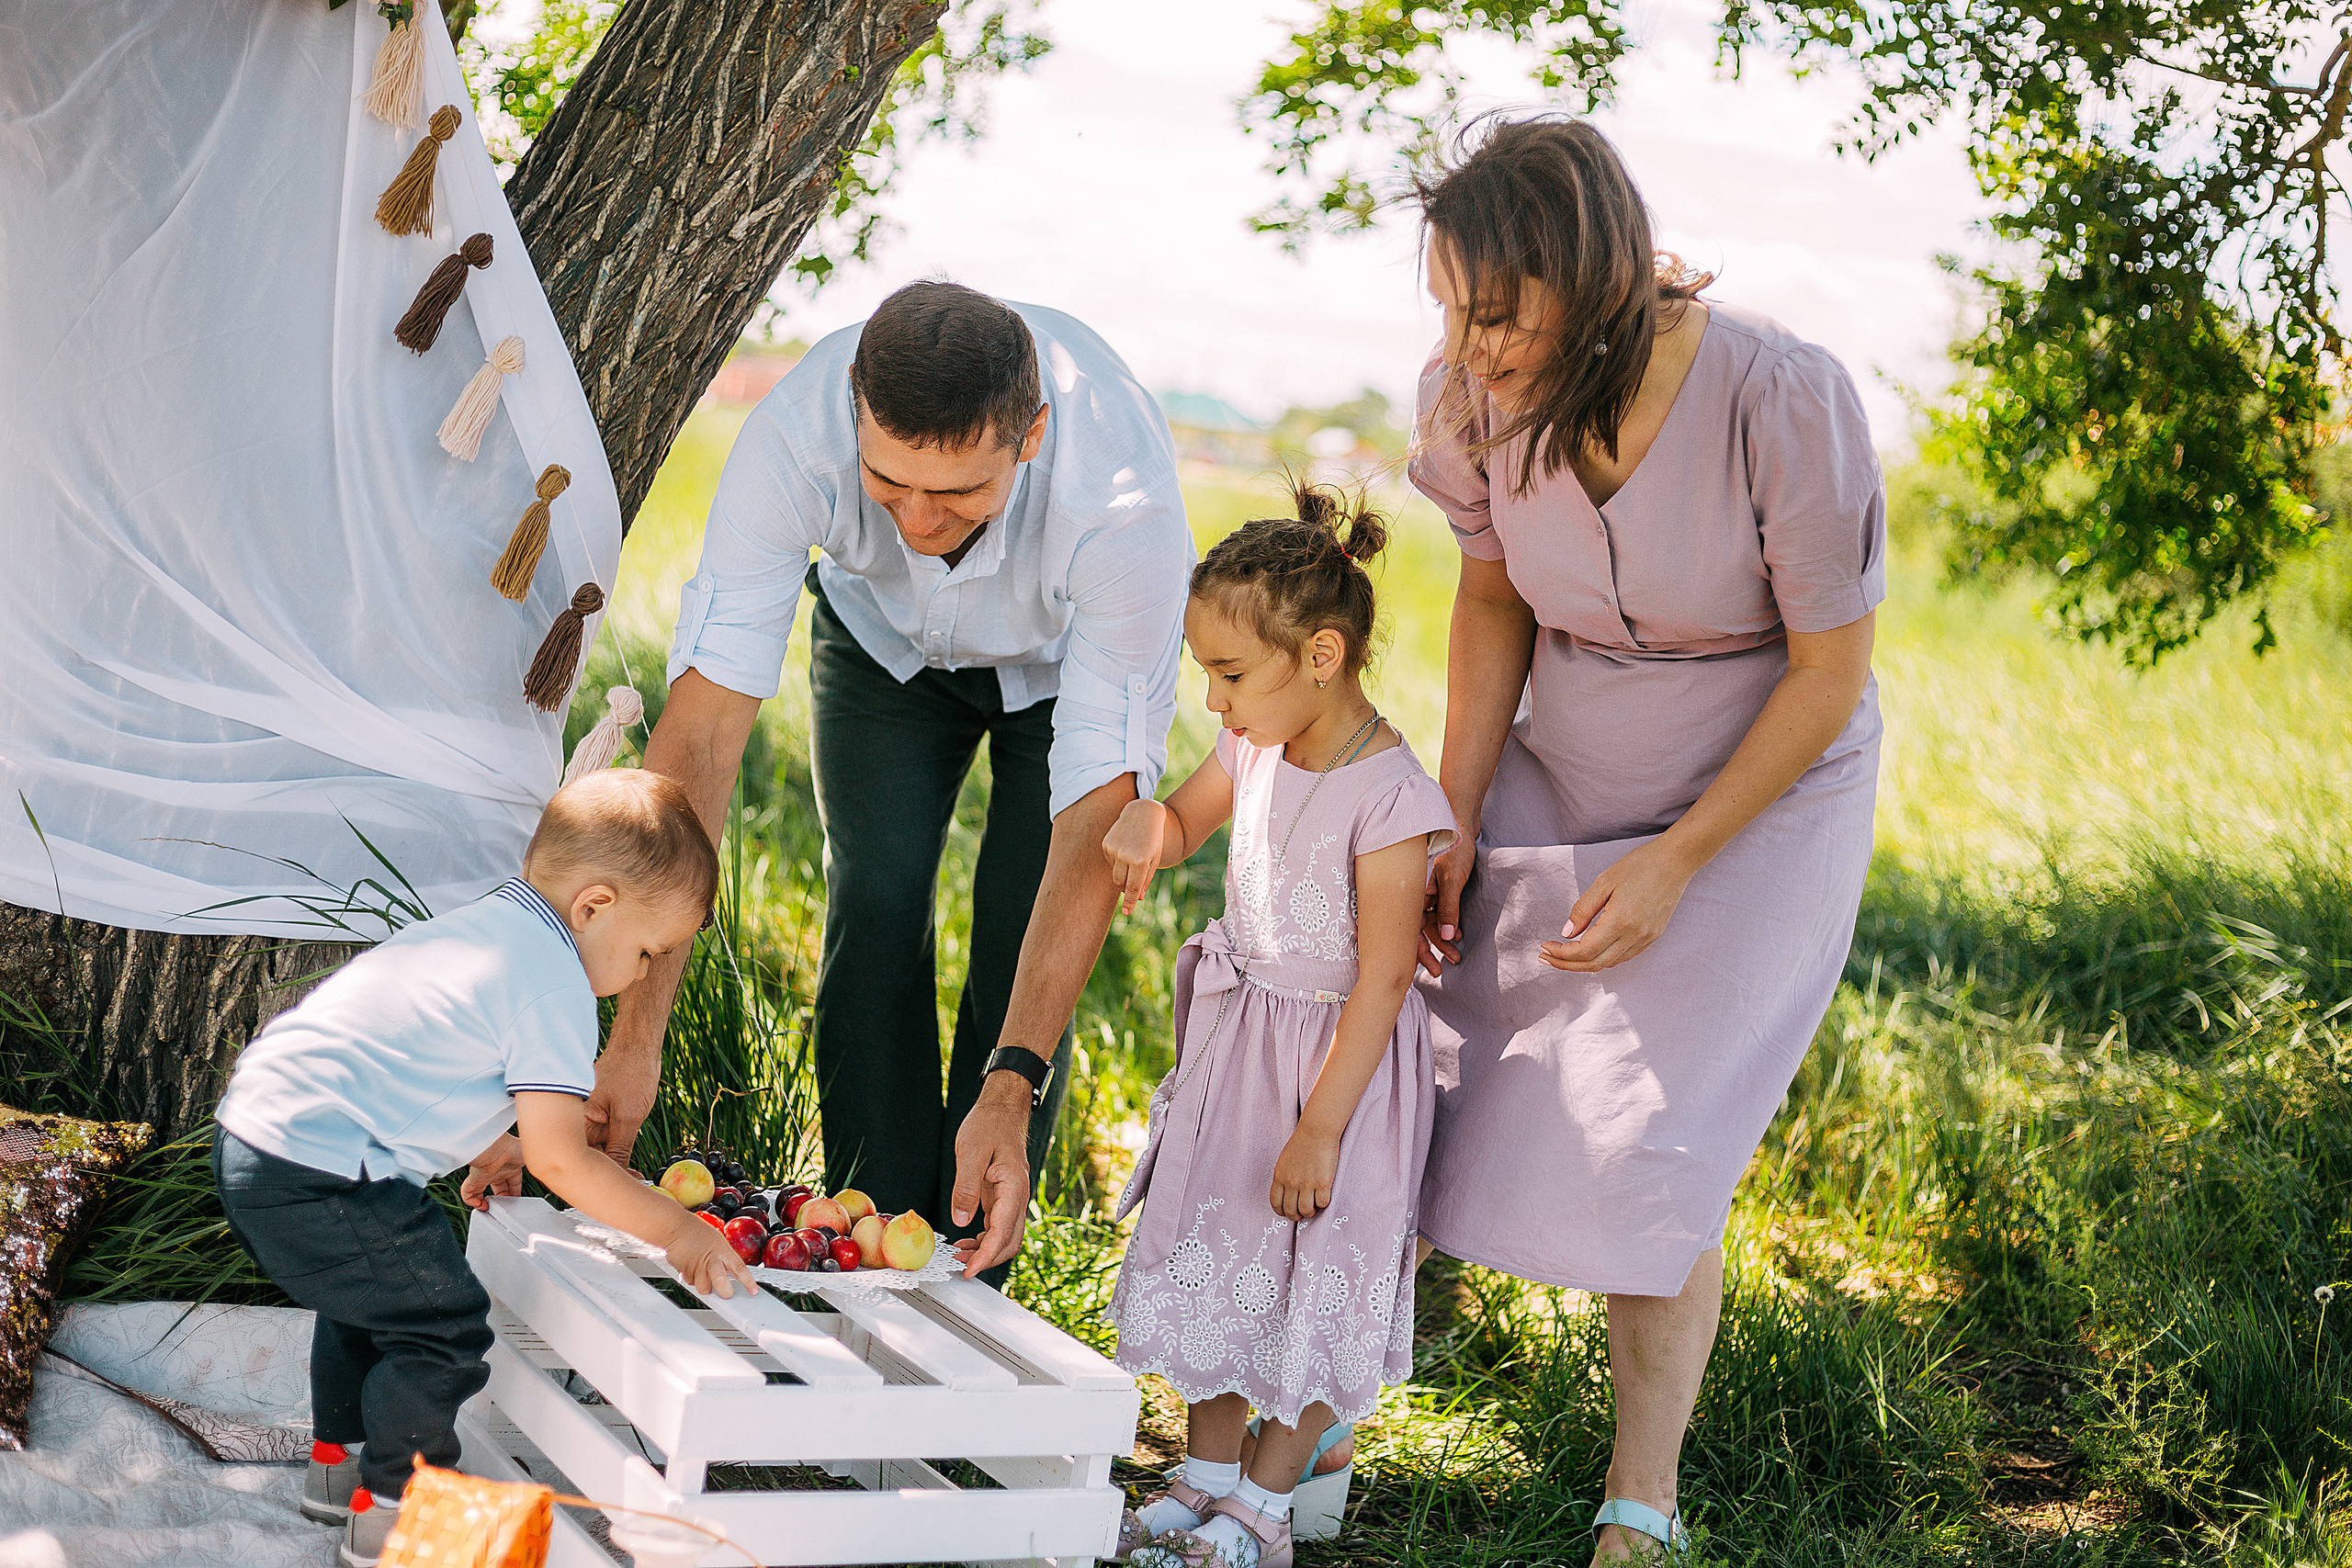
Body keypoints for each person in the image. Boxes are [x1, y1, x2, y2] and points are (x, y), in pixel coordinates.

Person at [1409, 118, 1884, 1562]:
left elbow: (1830, 670)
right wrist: (1455, 811)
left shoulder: (1782, 396)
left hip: (1761, 789)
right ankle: (1345, 1381)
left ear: (1599, 277)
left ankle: (1642, 1503)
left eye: (1499, 313)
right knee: (1423, 1039)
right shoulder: (1470, 394)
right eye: (1452, 308)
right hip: (1566, 752)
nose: (1470, 347)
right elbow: (1493, 596)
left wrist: (1679, 858)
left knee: (1653, 1126)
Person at [568, 280, 1190, 1279]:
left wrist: (1011, 1083)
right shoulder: (797, 436)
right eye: (888, 481)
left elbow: (1092, 827)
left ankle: (975, 1268)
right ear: (855, 409)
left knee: (1020, 926)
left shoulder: (1122, 509)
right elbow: (701, 744)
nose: (919, 518)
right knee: (877, 895)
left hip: (1060, 668)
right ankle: (868, 1240)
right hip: (881, 646)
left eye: (959, 493)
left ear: (1031, 436)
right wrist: (637, 1038)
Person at [211, 771, 755, 1568]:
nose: (643, 974)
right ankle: (399, 1509)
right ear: (594, 906)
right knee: (443, 1322)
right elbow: (566, 1159)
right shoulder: (557, 985)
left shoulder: (493, 923)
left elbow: (436, 1057)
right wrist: (676, 1229)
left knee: (376, 1293)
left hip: (260, 1135)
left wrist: (502, 1141)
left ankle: (340, 1465)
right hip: (324, 1164)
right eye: (646, 951)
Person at [1099, 484, 1457, 1568]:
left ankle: (1265, 1503)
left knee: (1318, 1274)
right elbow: (1182, 824)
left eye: (1230, 674)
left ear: (1320, 656)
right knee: (1217, 1252)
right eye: (1204, 673)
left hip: (1336, 1075)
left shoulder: (1390, 799)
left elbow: (1384, 981)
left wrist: (1321, 1129)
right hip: (1241, 1055)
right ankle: (1206, 1477)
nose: (1213, 700)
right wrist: (1145, 821)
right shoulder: (1254, 746)